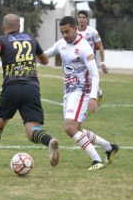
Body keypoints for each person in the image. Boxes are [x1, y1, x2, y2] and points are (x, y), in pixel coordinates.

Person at [0, 13, 59, 179]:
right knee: (32, 130)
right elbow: (44, 60)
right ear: (19, 27)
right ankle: (49, 141)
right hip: (32, 88)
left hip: (12, 87)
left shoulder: (1, 40)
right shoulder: (30, 39)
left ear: (3, 26)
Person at [44, 16, 118, 171]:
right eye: (62, 32)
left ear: (75, 28)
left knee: (69, 128)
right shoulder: (61, 43)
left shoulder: (84, 47)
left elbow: (94, 74)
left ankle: (96, 160)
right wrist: (30, 55)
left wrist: (92, 97)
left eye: (67, 31)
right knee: (77, 129)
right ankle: (109, 147)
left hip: (81, 91)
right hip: (68, 92)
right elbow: (46, 55)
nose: (64, 35)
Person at [77, 10, 106, 104]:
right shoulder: (74, 32)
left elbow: (100, 46)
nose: (81, 19)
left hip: (90, 60)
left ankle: (85, 102)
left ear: (87, 19)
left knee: (87, 80)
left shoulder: (93, 32)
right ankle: (98, 92)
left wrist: (102, 62)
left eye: (83, 18)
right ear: (78, 19)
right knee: (82, 80)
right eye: (80, 17)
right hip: (78, 61)